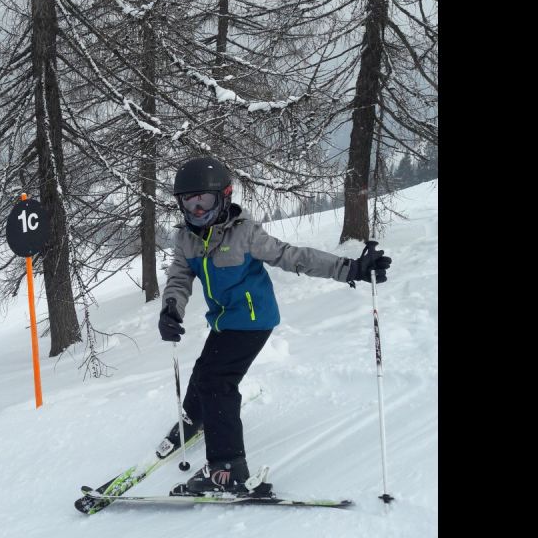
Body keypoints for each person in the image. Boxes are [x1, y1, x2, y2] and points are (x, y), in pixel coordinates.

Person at [155, 156, 391, 494]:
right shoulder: (187, 239)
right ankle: (195, 417)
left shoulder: (244, 233)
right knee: (205, 369)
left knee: (217, 382)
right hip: (224, 320)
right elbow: (179, 277)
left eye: (203, 200)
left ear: (223, 196)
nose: (196, 210)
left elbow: (294, 257)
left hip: (252, 320)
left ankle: (227, 469)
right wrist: (170, 309)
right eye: (188, 202)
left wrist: (350, 268)